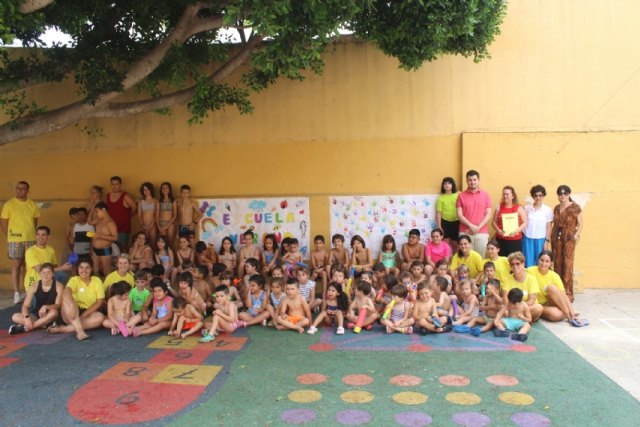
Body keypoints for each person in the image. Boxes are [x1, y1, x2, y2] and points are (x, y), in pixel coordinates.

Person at [1, 181, 40, 304]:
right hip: (15, 240)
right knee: (16, 266)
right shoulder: (9, 204)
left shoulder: (32, 204)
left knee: (28, 266)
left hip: (30, 239)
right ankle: (16, 293)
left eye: (23, 188)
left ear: (28, 191)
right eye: (18, 188)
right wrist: (10, 236)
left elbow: (35, 221)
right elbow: (4, 222)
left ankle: (27, 291)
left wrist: (28, 233)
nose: (20, 190)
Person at [48, 259, 105, 340]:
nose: (84, 270)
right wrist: (72, 306)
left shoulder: (97, 281)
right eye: (81, 267)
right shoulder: (74, 279)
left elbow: (99, 302)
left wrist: (84, 314)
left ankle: (65, 329)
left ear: (91, 269)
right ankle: (80, 331)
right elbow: (67, 291)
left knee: (100, 317)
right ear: (78, 269)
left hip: (87, 312)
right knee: (65, 296)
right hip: (71, 312)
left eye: (87, 268)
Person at [528, 250, 587, 326]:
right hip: (537, 306)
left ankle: (569, 314)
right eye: (542, 260)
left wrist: (572, 315)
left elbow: (564, 297)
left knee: (552, 288)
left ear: (551, 263)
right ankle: (565, 312)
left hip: (549, 303)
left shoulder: (555, 276)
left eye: (547, 261)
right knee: (556, 315)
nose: (543, 264)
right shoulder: (530, 271)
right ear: (538, 260)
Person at [550, 185, 584, 302]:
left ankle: (568, 294)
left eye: (565, 193)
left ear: (569, 194)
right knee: (557, 264)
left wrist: (575, 236)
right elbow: (553, 223)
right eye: (560, 194)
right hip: (556, 238)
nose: (563, 196)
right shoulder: (556, 208)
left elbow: (581, 224)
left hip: (569, 238)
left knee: (567, 265)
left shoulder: (575, 207)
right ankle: (558, 292)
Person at [9, 263, 63, 334]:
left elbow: (58, 305)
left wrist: (46, 307)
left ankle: (26, 328)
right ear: (40, 273)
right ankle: (43, 324)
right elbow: (25, 305)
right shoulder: (34, 286)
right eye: (43, 273)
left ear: (53, 274)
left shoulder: (59, 286)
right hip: (37, 314)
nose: (46, 275)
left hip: (51, 314)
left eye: (48, 273)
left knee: (54, 312)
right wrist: (26, 317)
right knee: (15, 317)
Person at [456, 170, 492, 257]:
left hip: (481, 232)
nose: (472, 182)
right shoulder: (461, 196)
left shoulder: (485, 195)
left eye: (475, 179)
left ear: (478, 180)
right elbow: (459, 215)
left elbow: (488, 214)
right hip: (465, 232)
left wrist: (478, 227)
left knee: (481, 258)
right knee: (465, 258)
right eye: (470, 180)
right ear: (466, 181)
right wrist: (471, 226)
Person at [24, 226, 72, 291]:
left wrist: (66, 266)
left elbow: (54, 267)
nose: (40, 237)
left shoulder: (50, 250)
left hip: (48, 281)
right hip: (34, 283)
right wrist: (62, 268)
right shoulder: (30, 251)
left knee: (62, 275)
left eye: (43, 235)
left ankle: (55, 292)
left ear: (48, 237)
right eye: (38, 234)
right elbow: (40, 270)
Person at [500, 251, 543, 321]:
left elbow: (531, 301)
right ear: (510, 266)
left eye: (517, 263)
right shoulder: (507, 279)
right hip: (511, 308)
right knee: (501, 308)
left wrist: (518, 308)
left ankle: (514, 319)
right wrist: (511, 308)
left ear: (523, 264)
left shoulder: (531, 279)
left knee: (539, 308)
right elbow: (505, 298)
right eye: (512, 264)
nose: (515, 266)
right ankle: (520, 320)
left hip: (526, 308)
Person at [492, 186, 527, 257]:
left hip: (515, 240)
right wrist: (498, 230)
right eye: (504, 194)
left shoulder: (519, 208)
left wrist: (516, 231)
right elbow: (494, 222)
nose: (505, 196)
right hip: (501, 240)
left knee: (515, 260)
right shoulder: (499, 207)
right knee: (502, 260)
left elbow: (525, 222)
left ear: (512, 196)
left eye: (507, 194)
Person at [523, 185, 553, 267]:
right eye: (535, 195)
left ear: (543, 196)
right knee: (528, 262)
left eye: (540, 195)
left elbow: (548, 227)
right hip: (528, 238)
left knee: (541, 262)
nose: (538, 197)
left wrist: (546, 241)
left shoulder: (548, 210)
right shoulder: (527, 208)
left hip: (541, 239)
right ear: (532, 196)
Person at [105, 176, 137, 252]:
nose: (114, 186)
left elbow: (134, 207)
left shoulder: (125, 196)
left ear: (120, 185)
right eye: (113, 184)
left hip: (122, 228)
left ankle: (124, 259)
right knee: (111, 247)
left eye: (116, 184)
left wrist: (129, 216)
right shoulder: (108, 196)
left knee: (123, 247)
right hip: (111, 227)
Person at [91, 202, 118, 276]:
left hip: (105, 249)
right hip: (95, 249)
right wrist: (92, 209)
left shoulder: (110, 223)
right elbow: (90, 222)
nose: (96, 214)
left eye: (97, 211)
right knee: (95, 270)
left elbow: (115, 237)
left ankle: (108, 284)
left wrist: (100, 236)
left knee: (106, 271)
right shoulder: (98, 220)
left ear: (103, 210)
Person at [436, 177, 460, 252]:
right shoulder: (440, 198)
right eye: (445, 183)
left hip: (456, 222)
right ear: (443, 186)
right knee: (445, 244)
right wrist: (439, 226)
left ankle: (456, 258)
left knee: (455, 244)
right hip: (445, 222)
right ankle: (446, 259)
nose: (447, 185)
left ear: (452, 185)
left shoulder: (458, 195)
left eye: (449, 183)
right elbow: (438, 213)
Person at [137, 182, 158, 248]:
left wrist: (150, 226)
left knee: (153, 244)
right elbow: (139, 216)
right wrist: (143, 225)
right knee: (143, 245)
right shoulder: (141, 201)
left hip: (152, 226)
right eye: (144, 190)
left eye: (147, 189)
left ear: (151, 190)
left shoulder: (155, 201)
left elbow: (156, 215)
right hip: (143, 225)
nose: (146, 191)